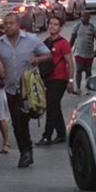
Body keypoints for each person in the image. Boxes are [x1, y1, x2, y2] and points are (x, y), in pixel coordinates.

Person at [0, 12, 52, 168]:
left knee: (25, 119)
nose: (8, 26)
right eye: (5, 24)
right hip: (11, 89)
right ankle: (25, 151)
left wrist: (37, 59)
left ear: (18, 25)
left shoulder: (31, 40)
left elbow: (47, 54)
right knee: (17, 123)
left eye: (11, 23)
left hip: (28, 89)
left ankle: (27, 151)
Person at [36, 16, 75, 146]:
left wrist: (70, 80)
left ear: (60, 27)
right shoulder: (46, 42)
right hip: (48, 78)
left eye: (56, 24)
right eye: (51, 24)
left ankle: (47, 136)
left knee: (51, 106)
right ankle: (61, 134)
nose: (52, 26)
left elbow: (70, 62)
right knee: (54, 106)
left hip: (60, 79)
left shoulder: (63, 43)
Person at [69, 10, 95, 93]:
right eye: (83, 16)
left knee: (88, 70)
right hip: (79, 52)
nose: (84, 18)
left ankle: (88, 87)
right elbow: (72, 38)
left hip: (89, 52)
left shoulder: (92, 27)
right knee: (79, 69)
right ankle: (78, 87)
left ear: (89, 18)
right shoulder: (77, 26)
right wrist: (68, 48)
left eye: (86, 16)